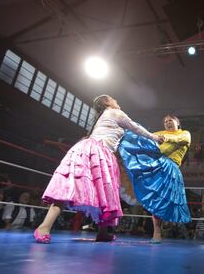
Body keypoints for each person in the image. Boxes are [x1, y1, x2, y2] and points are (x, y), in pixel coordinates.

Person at [34, 95, 161, 243]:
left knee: (96, 193)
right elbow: (135, 127)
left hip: (95, 152)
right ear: (107, 102)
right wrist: (154, 137)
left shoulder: (102, 117)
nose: (117, 101)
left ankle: (101, 232)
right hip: (97, 152)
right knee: (80, 190)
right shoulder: (115, 112)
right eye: (114, 99)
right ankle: (44, 227)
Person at [119, 114, 191, 243]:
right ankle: (156, 233)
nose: (168, 123)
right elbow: (145, 136)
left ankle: (174, 232)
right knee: (155, 200)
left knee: (165, 202)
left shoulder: (185, 133)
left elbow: (181, 139)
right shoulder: (159, 133)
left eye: (170, 120)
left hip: (170, 168)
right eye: (165, 121)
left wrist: (164, 138)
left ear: (177, 123)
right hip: (155, 165)